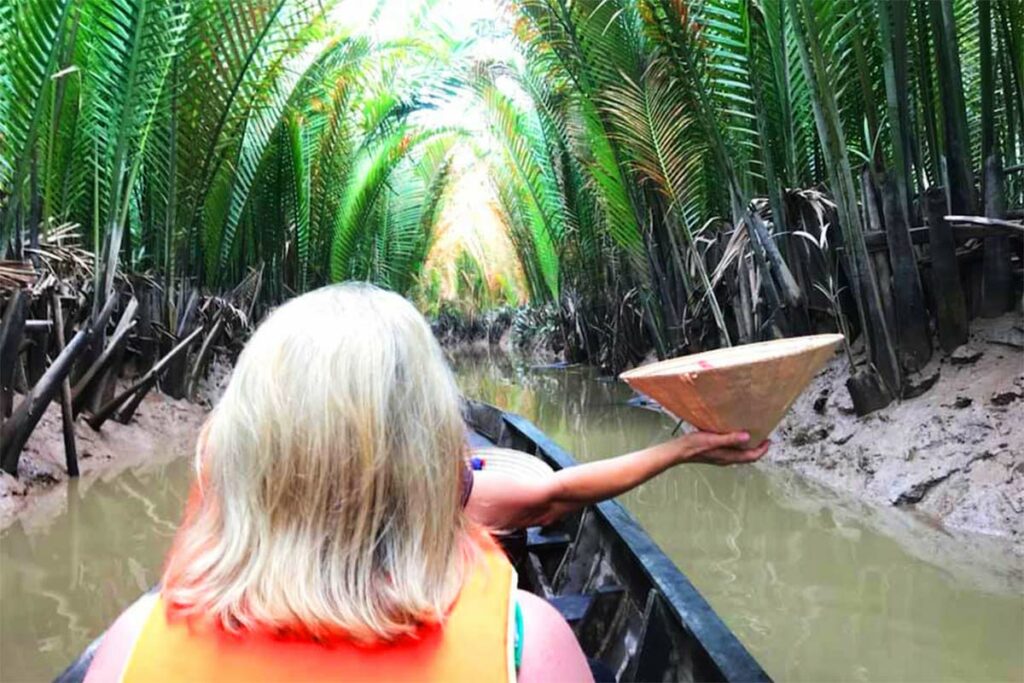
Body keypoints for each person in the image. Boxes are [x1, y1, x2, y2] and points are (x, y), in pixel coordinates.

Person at [84, 283, 767, 683]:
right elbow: (565, 494)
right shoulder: (525, 646)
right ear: (430, 445)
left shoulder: (127, 648)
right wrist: (681, 450)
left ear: (243, 449)